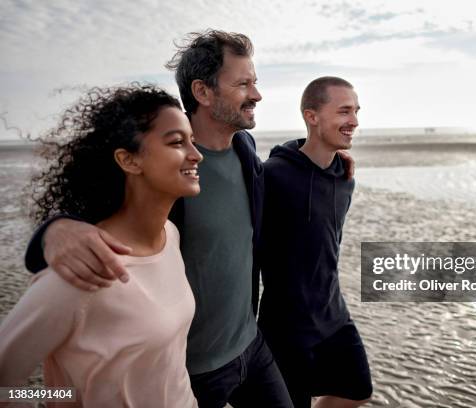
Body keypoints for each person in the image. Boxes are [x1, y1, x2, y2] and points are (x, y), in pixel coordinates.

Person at [23, 30, 294, 407]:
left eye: (256, 82)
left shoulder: (246, 150)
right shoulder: (160, 166)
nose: (257, 94)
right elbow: (94, 204)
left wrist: (321, 153)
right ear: (203, 92)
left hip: (251, 345)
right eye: (243, 83)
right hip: (192, 370)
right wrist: (55, 229)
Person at [0, 84, 202, 407]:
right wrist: (63, 398)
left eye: (192, 140)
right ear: (129, 160)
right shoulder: (81, 273)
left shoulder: (170, 234)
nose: (196, 154)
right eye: (177, 142)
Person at [259, 77, 373, 408]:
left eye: (356, 112)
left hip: (334, 316)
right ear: (312, 116)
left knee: (357, 390)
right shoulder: (273, 176)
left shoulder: (345, 176)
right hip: (286, 329)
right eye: (344, 111)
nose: (354, 121)